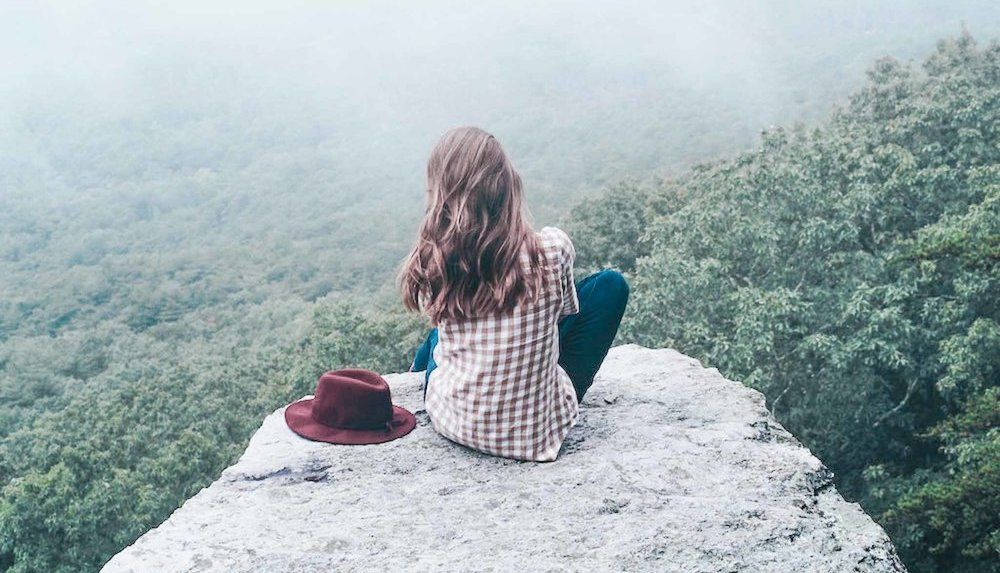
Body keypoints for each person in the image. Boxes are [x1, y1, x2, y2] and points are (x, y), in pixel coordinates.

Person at [399, 126, 628, 462]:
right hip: (538, 435)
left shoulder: (437, 260)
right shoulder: (553, 249)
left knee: (437, 337)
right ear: (508, 184)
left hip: (454, 422)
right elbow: (565, 314)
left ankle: (414, 376)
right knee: (610, 286)